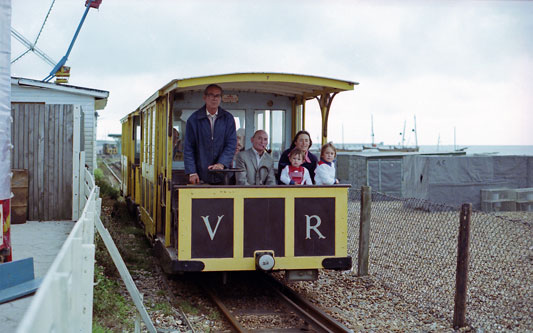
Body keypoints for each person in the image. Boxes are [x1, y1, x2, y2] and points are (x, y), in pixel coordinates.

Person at [183, 84, 237, 184]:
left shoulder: (228, 118)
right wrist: (192, 172)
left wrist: (221, 163)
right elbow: (188, 147)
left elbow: (231, 144)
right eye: (211, 95)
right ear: (204, 97)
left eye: (217, 96)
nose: (214, 98)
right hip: (200, 176)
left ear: (221, 98)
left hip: (223, 175)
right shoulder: (193, 119)